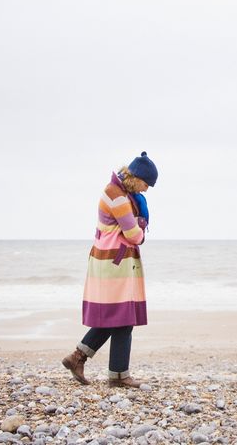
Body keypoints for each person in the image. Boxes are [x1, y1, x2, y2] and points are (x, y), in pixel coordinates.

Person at [62, 151, 157, 387]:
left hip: (113, 261)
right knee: (123, 318)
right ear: (137, 178)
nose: (146, 190)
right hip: (115, 262)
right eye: (146, 184)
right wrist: (142, 227)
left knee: (119, 317)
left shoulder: (119, 192)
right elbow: (134, 235)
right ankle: (117, 375)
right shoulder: (118, 197)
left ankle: (79, 358)